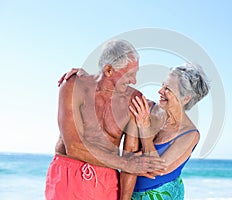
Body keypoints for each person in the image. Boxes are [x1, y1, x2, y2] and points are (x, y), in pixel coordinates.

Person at [45, 39, 166, 200]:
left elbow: (132, 157)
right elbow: (73, 146)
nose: (134, 80)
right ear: (108, 70)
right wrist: (125, 163)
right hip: (67, 174)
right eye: (129, 74)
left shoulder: (134, 99)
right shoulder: (74, 86)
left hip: (106, 180)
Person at [127, 63, 210, 200]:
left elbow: (156, 169)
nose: (160, 91)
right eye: (162, 85)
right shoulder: (150, 109)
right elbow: (116, 92)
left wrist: (144, 128)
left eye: (168, 89)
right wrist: (88, 79)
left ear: (186, 98)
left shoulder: (190, 134)